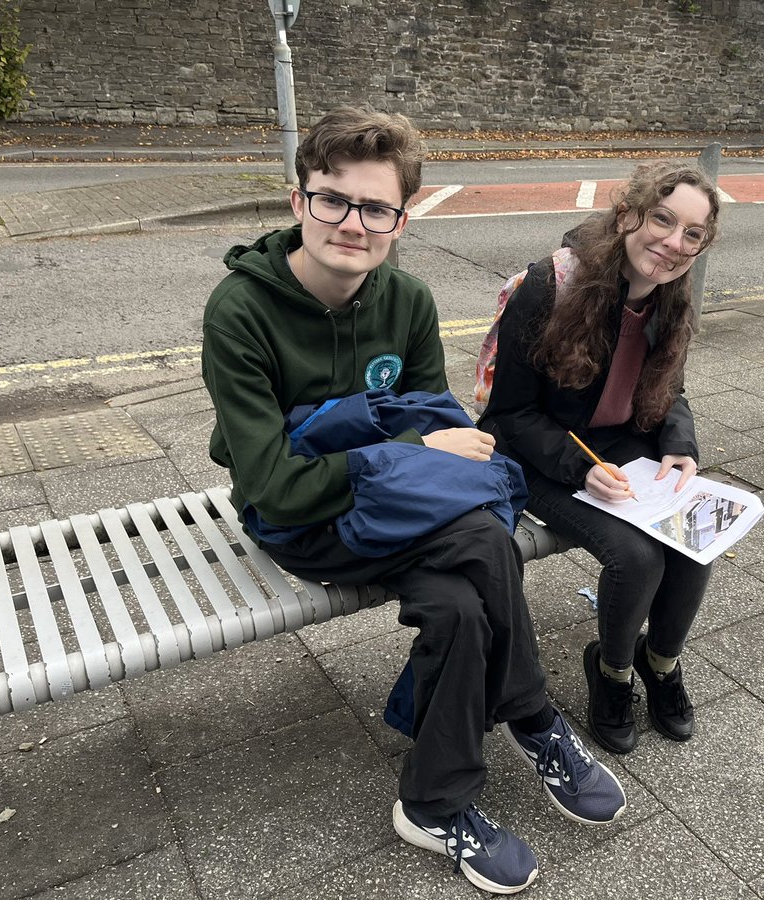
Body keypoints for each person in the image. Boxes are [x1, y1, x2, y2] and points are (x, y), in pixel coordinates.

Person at [201, 106, 625, 895]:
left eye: (376, 208)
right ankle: (533, 719)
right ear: (299, 201)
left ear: (402, 218)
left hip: (401, 509)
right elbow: (276, 486)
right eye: (332, 199)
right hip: (302, 523)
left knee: (464, 608)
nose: (351, 223)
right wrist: (403, 450)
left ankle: (432, 804)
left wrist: (380, 446)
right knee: (485, 544)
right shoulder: (242, 312)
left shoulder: (408, 302)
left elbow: (445, 436)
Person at [479, 161, 721, 756]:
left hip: (617, 446)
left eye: (693, 234)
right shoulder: (546, 286)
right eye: (663, 220)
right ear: (627, 216)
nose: (673, 243)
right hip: (537, 454)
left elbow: (671, 391)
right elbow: (509, 413)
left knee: (696, 536)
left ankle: (659, 663)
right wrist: (578, 466)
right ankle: (611, 673)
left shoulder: (671, 297)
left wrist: (679, 449)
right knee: (637, 558)